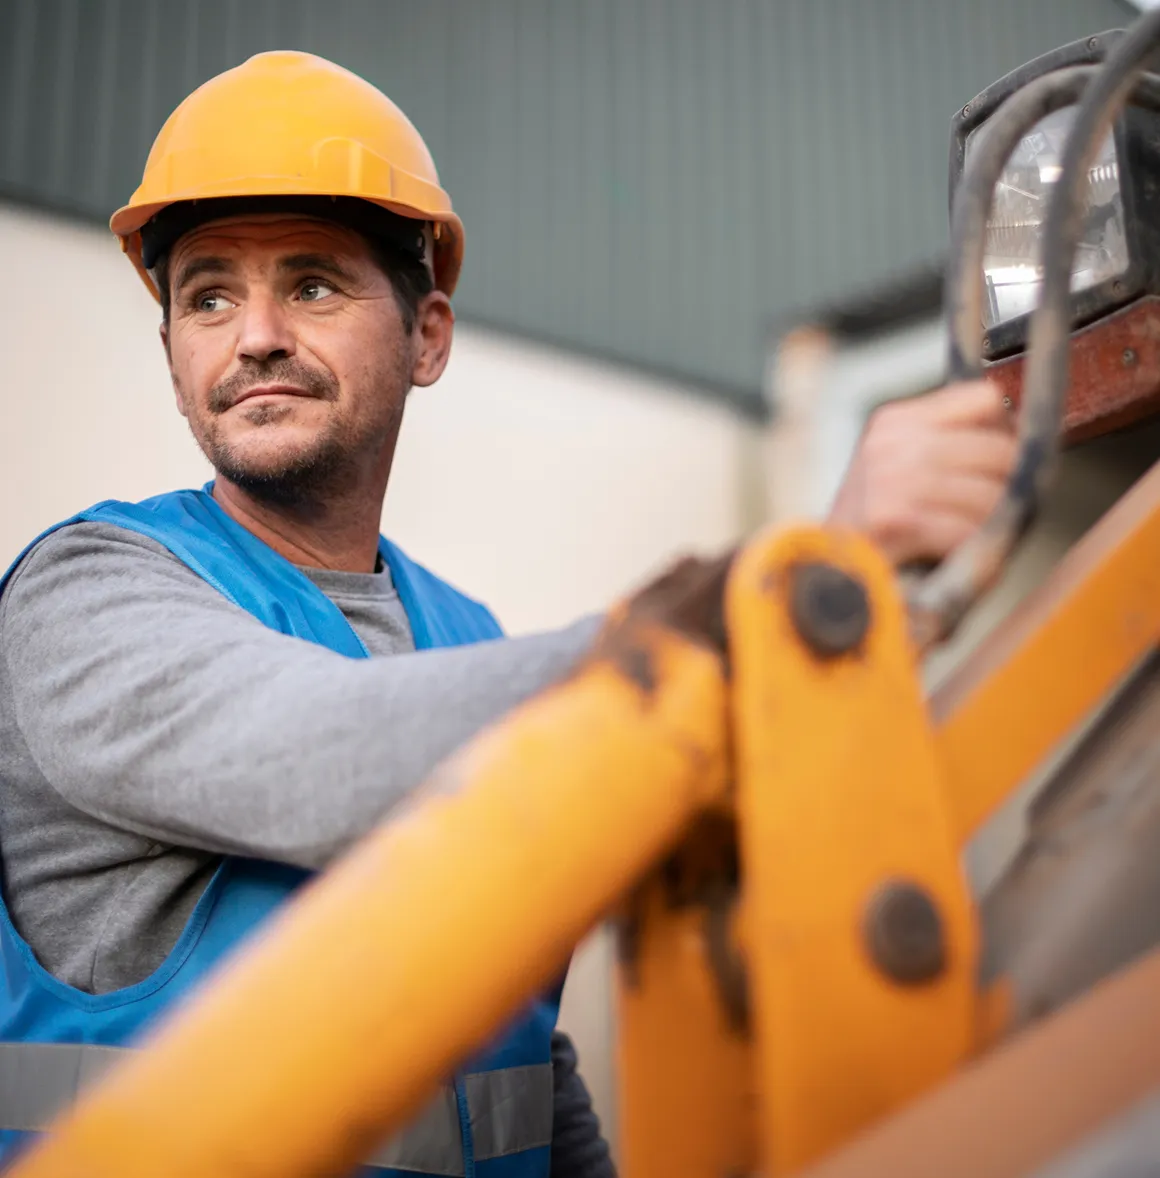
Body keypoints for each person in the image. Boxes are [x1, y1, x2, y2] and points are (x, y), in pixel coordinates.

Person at [0, 51, 1017, 1176]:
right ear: (173, 353)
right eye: (208, 296)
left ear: (426, 335)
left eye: (313, 282)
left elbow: (522, 1060)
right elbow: (308, 753)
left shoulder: (467, 638)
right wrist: (772, 589)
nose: (255, 336)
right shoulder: (86, 593)